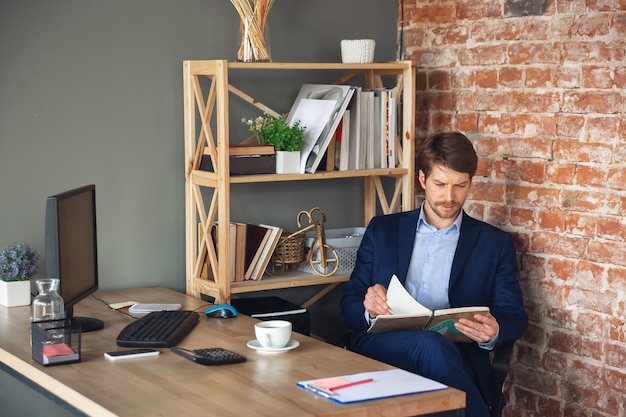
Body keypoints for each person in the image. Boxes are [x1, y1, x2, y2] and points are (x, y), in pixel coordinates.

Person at [340, 132, 528, 417]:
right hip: (382, 344)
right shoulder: (384, 230)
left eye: (460, 186)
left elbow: (514, 315)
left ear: (470, 183)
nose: (449, 197)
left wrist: (495, 330)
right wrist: (368, 306)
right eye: (440, 184)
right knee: (429, 346)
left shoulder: (494, 243)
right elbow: (348, 304)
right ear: (422, 179)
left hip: (457, 355)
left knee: (434, 363)